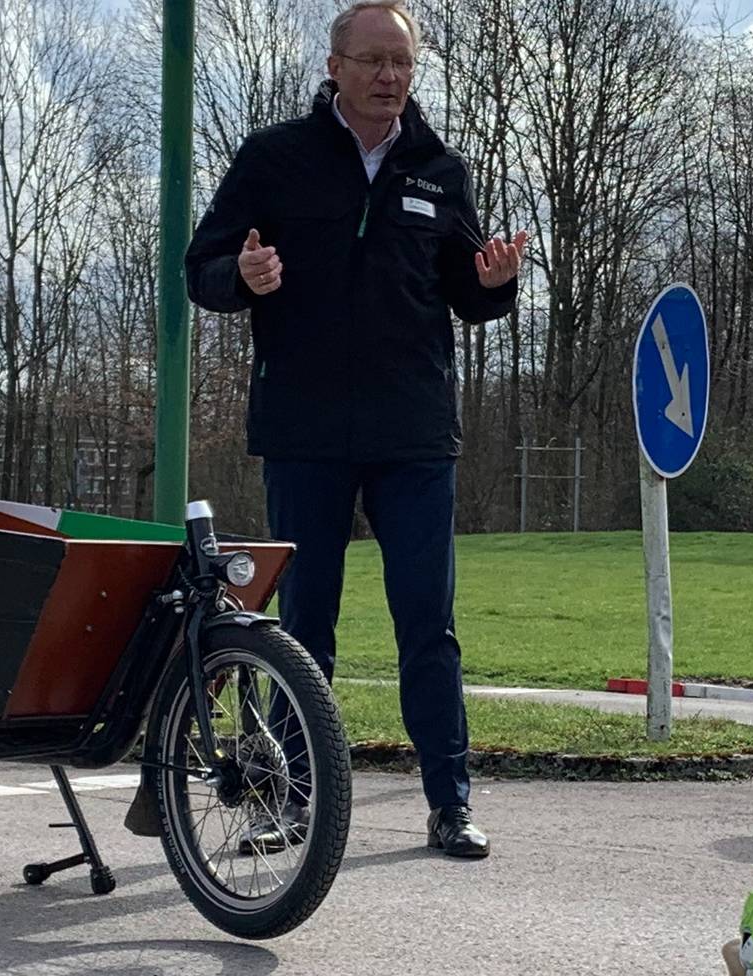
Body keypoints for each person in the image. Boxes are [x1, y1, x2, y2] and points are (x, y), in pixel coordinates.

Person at [184, 0, 526, 858]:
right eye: (372, 61)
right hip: (305, 427)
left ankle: (450, 802)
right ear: (334, 66)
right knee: (304, 625)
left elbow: (467, 294)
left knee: (428, 623)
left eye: (402, 65)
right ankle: (281, 799)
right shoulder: (274, 159)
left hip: (413, 432)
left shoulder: (440, 169)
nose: (388, 78)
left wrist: (494, 282)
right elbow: (203, 269)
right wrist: (246, 275)